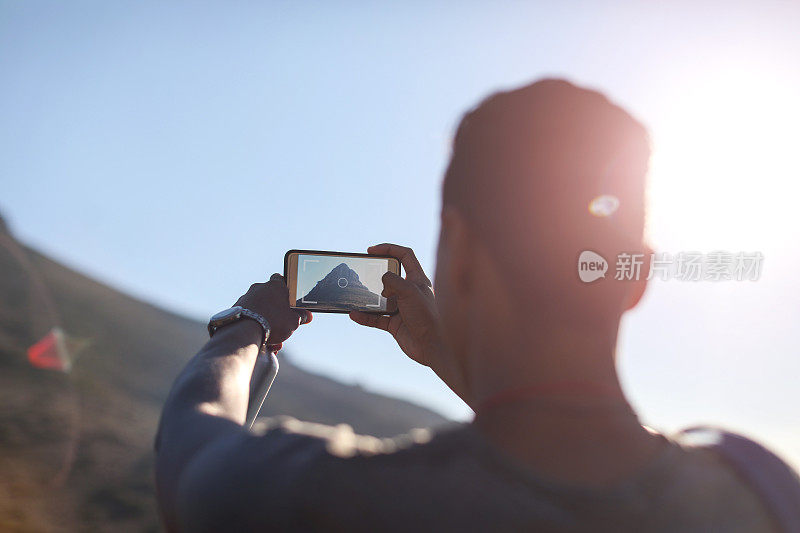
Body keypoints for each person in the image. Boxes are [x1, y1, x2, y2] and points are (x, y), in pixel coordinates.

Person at [155, 79, 792, 532]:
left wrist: (250, 324)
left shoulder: (344, 497)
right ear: (639, 276)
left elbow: (192, 440)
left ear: (458, 250)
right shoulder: (760, 492)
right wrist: (447, 356)